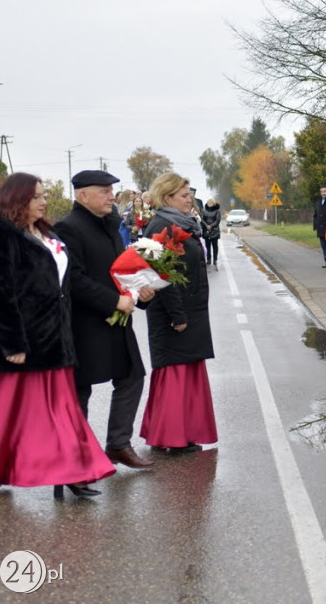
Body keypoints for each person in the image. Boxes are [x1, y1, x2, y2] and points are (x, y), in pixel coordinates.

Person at [0, 173, 115, 498]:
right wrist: (13, 344)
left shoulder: (45, 233)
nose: (44, 201)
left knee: (61, 413)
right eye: (37, 197)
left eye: (44, 195)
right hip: (11, 344)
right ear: (19, 200)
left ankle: (75, 472)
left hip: (51, 339)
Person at [54, 170, 156, 470]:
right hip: (85, 324)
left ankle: (118, 444)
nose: (112, 196)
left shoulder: (110, 224)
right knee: (80, 389)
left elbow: (117, 270)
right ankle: (76, 457)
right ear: (82, 195)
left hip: (117, 321)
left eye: (112, 190)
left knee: (132, 376)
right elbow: (73, 278)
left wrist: (139, 289)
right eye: (104, 191)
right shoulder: (69, 228)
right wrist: (114, 301)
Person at [140, 173, 218, 453]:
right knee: (175, 376)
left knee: (185, 374)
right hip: (174, 315)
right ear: (167, 198)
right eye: (184, 195)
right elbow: (161, 275)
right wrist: (178, 315)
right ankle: (173, 437)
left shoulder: (184, 223)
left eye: (189, 194)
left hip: (189, 310)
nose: (190, 199)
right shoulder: (161, 224)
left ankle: (171, 434)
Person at [313, 186, 326, 268]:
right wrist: (315, 225)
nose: (323, 193)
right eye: (322, 191)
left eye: (325, 191)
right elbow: (315, 214)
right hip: (320, 228)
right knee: (323, 246)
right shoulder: (318, 201)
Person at [201, 198, 221, 269]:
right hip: (206, 230)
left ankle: (215, 259)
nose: (209, 204)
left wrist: (211, 226)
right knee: (207, 246)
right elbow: (202, 219)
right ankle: (208, 259)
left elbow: (218, 220)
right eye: (208, 203)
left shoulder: (217, 211)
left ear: (213, 203)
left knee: (215, 246)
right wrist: (206, 225)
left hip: (214, 230)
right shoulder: (204, 210)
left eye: (211, 203)